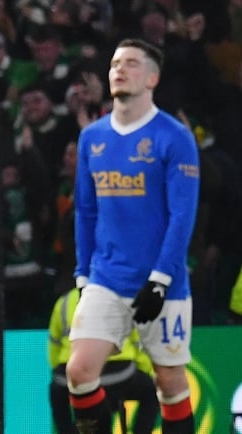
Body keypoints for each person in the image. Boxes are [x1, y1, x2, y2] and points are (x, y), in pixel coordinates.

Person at [66, 38, 200, 433]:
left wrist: (160, 279)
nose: (119, 70)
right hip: (106, 278)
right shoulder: (92, 137)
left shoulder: (174, 137)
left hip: (162, 281)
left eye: (131, 64)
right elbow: (85, 210)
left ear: (153, 77)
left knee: (170, 381)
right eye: (114, 64)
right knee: (79, 371)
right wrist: (82, 272)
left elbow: (182, 215)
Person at [49, 287, 159, 434]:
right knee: (151, 390)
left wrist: (63, 370)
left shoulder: (64, 302)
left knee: (57, 390)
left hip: (70, 375)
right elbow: (138, 340)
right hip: (120, 374)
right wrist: (143, 370)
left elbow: (54, 345)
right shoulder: (121, 297)